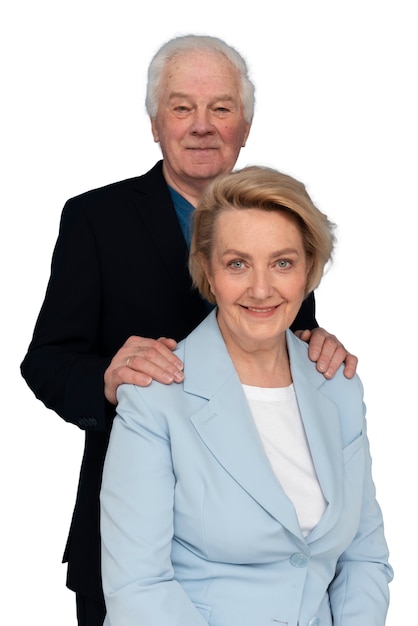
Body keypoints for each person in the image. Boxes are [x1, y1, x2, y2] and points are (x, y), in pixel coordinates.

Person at [20, 35, 358, 626]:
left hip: (265, 546)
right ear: (155, 123)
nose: (202, 126)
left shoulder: (277, 222)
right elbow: (45, 359)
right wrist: (108, 378)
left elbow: (280, 332)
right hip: (131, 541)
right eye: (182, 108)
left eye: (220, 108)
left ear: (245, 126)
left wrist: (317, 344)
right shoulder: (95, 220)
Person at [100, 165, 392, 626]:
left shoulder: (338, 386)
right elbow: (139, 587)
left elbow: (364, 560)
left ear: (308, 271)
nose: (261, 289)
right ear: (209, 273)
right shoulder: (155, 398)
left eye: (283, 263)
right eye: (238, 263)